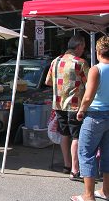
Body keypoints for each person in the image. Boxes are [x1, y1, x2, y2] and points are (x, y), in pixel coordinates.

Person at [45, 35, 89, 181]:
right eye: (83, 47)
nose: (83, 50)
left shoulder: (55, 61)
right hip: (75, 105)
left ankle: (67, 165)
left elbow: (48, 82)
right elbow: (90, 84)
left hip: (58, 104)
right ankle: (75, 171)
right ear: (78, 47)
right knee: (76, 136)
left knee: (64, 134)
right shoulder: (80, 63)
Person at [70, 36, 109, 201]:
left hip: (95, 115)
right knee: (107, 154)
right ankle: (106, 191)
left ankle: (88, 195)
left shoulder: (96, 69)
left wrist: (80, 111)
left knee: (86, 153)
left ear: (98, 51)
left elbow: (88, 96)